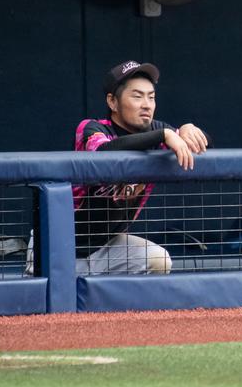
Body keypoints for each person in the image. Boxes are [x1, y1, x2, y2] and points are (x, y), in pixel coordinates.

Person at [68, 60, 209, 274]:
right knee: (52, 295)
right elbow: (104, 152)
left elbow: (206, 145)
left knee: (159, 260)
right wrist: (164, 135)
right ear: (112, 102)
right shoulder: (91, 128)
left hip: (107, 246)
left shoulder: (157, 131)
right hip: (61, 242)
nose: (147, 104)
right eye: (137, 96)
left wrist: (189, 130)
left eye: (151, 97)